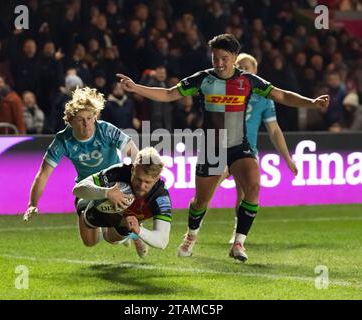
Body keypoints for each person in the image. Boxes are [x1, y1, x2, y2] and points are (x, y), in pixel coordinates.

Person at [117, 34, 329, 262]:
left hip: (240, 146)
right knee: (200, 201)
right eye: (215, 58)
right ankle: (191, 236)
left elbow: (282, 95)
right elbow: (170, 94)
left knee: (254, 186)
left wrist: (311, 102)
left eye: (224, 58)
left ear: (235, 57)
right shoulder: (203, 79)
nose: (218, 63)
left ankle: (238, 243)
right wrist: (137, 88)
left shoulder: (248, 81)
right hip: (212, 149)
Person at [23, 87, 139, 249]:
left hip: (115, 186)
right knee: (89, 242)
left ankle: (127, 231)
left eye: (90, 118)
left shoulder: (106, 130)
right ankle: (106, 221)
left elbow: (134, 153)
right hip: (88, 187)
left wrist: (137, 181)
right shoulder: (63, 140)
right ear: (70, 121)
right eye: (80, 119)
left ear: (95, 116)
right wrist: (32, 204)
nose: (86, 124)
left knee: (112, 238)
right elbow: (43, 175)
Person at [221, 53, 298, 244]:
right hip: (222, 148)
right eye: (241, 66)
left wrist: (287, 159)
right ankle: (193, 231)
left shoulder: (264, 98)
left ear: (255, 71)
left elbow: (274, 130)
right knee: (208, 189)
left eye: (248, 67)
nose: (244, 69)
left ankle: (238, 236)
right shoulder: (223, 89)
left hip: (246, 150)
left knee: (245, 193)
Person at [73, 147, 172, 258]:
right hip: (108, 204)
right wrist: (107, 193)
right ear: (133, 169)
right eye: (138, 179)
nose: (141, 185)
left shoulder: (161, 197)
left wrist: (139, 230)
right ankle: (87, 205)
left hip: (130, 218)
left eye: (147, 182)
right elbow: (77, 189)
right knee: (89, 242)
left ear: (157, 178)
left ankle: (134, 235)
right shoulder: (119, 172)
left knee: (111, 239)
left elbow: (162, 241)